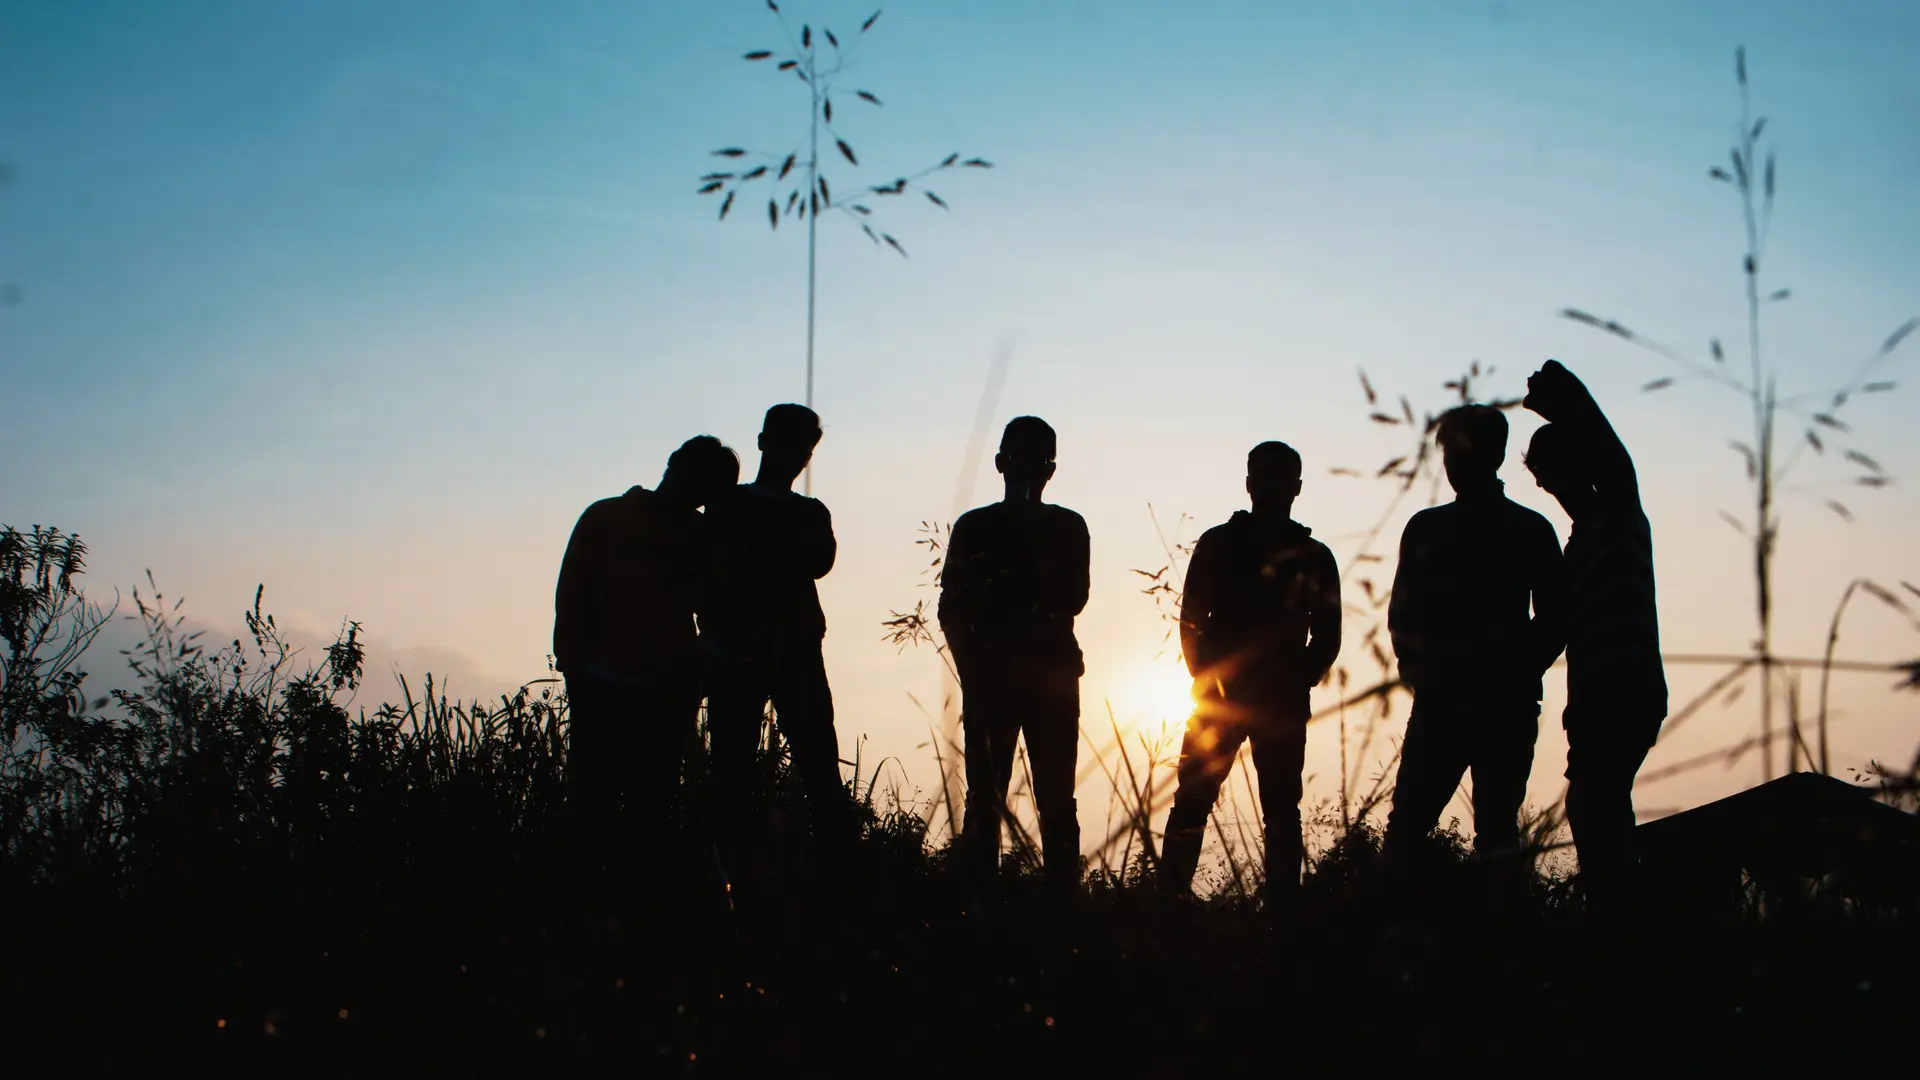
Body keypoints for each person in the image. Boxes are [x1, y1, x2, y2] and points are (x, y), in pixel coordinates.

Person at [552, 434, 741, 896]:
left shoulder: (700, 537)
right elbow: (572, 594)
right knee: (593, 804)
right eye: (696, 475)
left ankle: (631, 910)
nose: (696, 490)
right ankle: (587, 905)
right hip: (602, 683)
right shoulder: (605, 517)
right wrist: (575, 667)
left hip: (665, 691)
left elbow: (716, 608)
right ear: (675, 464)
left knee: (650, 808)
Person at [1160, 441, 1342, 907]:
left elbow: (1326, 639)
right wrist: (1207, 679)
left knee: (1274, 808)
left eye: (1278, 479)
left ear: (1295, 488)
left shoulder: (1308, 555)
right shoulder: (1223, 544)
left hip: (1264, 700)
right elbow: (1191, 622)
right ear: (1250, 483)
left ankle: (1274, 904)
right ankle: (1171, 898)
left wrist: (1296, 679)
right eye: (1265, 477)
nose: (1272, 487)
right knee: (1201, 800)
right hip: (1226, 698)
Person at [1383, 405, 1564, 866]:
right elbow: (1403, 615)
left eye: (1460, 450)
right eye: (1448, 452)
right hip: (1446, 702)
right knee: (1409, 829)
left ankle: (1489, 930)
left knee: (1494, 834)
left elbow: (1556, 619)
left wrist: (1517, 671)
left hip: (1501, 705)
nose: (1452, 463)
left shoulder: (1529, 530)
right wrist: (1420, 670)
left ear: (1494, 454)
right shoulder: (1430, 528)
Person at [1522, 360, 1667, 912]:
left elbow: (1612, 453)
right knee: (1595, 808)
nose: (1548, 483)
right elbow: (1555, 633)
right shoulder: (1576, 549)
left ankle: (1620, 918)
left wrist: (1558, 396)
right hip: (1591, 701)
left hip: (1626, 689)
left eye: (1553, 468)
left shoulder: (1621, 514)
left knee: (1594, 803)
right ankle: (1618, 913)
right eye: (1541, 474)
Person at [704, 404, 855, 878]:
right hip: (738, 654)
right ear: (764, 442)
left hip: (795, 653)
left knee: (820, 769)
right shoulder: (729, 504)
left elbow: (818, 560)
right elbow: (716, 569)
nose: (799, 456)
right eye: (791, 443)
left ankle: (837, 877)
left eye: (805, 448)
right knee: (732, 771)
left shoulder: (808, 512)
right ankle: (736, 876)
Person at [940, 416, 1090, 891]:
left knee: (1056, 800)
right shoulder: (975, 527)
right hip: (993, 681)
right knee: (987, 798)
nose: (1027, 470)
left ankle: (1063, 907)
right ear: (1001, 463)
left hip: (1051, 681)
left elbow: (1074, 597)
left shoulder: (1067, 527)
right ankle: (979, 903)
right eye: (1020, 458)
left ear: (1051, 470)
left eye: (1037, 461)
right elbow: (952, 605)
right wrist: (972, 666)